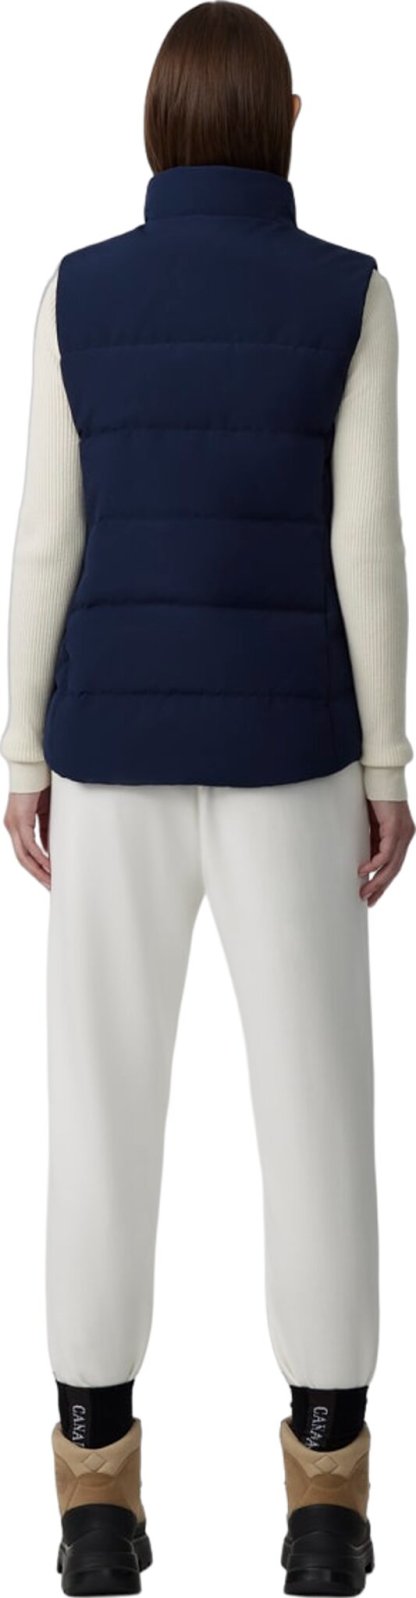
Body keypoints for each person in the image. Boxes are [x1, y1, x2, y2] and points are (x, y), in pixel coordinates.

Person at [1, 3, 415, 1594]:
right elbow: (364, 544)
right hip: (293, 751)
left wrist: (22, 756)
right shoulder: (352, 293)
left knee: (99, 1116)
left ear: (157, 125)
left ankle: (94, 1499)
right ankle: (327, 1504)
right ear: (286, 119)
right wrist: (386, 766)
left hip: (107, 747)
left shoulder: (77, 291)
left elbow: (48, 537)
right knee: (318, 1119)